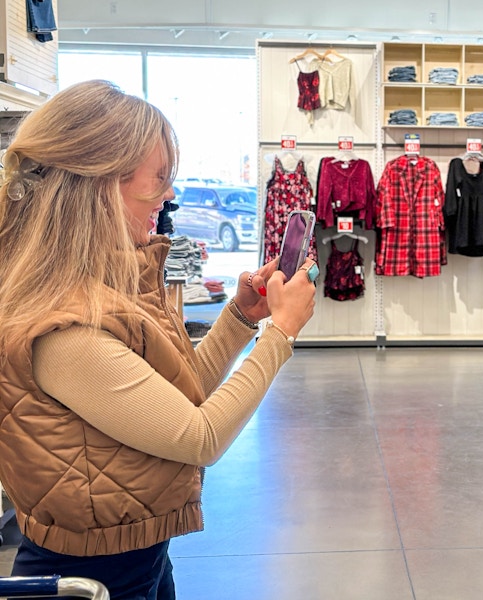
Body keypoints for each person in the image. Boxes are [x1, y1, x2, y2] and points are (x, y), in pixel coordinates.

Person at [0, 80, 317, 599]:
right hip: (94, 575)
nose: (170, 195)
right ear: (101, 184)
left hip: (135, 552)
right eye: (160, 179)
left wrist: (240, 316)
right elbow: (198, 436)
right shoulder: (63, 325)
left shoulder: (104, 286)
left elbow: (178, 390)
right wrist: (280, 333)